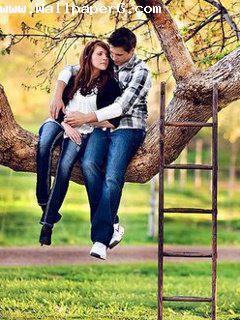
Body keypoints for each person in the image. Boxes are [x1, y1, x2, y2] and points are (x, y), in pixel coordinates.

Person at [53, 27, 152, 260]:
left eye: (118, 55)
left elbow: (121, 108)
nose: (112, 59)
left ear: (131, 51)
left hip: (127, 127)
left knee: (112, 176)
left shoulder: (141, 72)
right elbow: (72, 69)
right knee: (89, 166)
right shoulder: (108, 62)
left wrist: (85, 118)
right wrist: (57, 94)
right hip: (100, 126)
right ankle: (112, 223)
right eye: (111, 53)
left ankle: (100, 239)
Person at [36, 40, 122, 246]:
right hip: (62, 125)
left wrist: (86, 120)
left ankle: (47, 224)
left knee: (65, 166)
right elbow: (58, 108)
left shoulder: (110, 84)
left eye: (107, 55)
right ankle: (44, 202)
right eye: (100, 54)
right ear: (89, 56)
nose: (105, 58)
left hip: (83, 133)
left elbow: (113, 121)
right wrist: (66, 124)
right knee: (43, 146)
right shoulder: (75, 76)